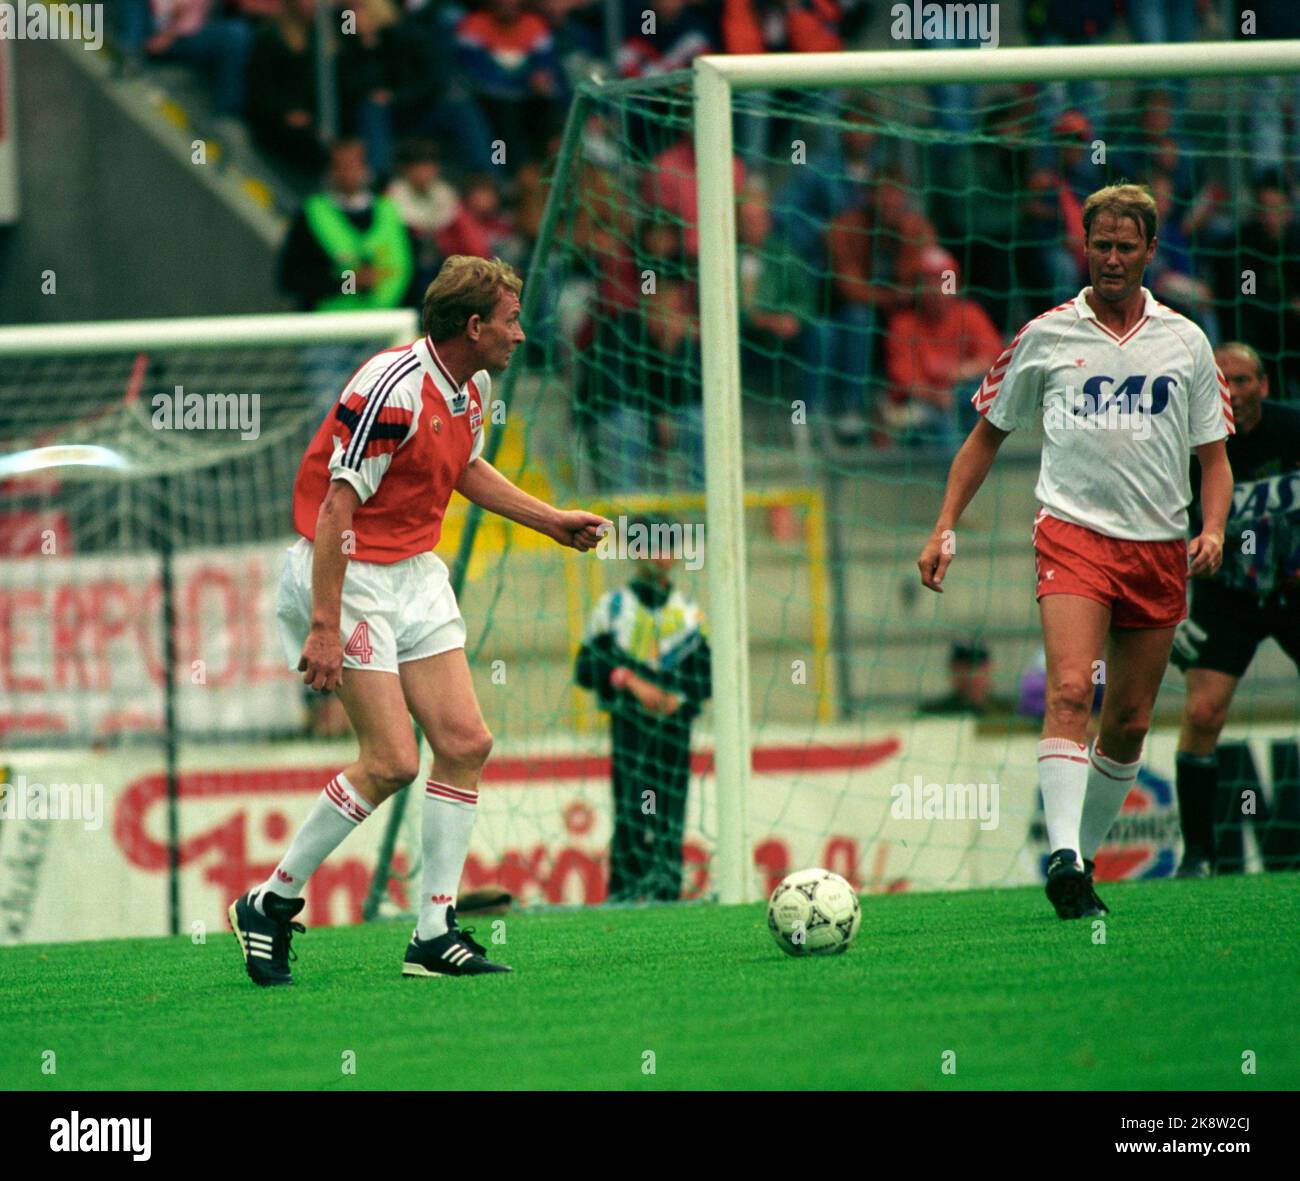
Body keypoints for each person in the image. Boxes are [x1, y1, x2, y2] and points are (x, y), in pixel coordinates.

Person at [228, 256, 609, 985]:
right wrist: (325, 626)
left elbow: (463, 467)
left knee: (465, 741)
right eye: (510, 320)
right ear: (474, 326)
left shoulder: (473, 387)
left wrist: (550, 520)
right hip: (349, 570)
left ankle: (433, 931)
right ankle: (269, 901)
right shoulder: (391, 389)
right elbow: (339, 507)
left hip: (411, 571)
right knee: (393, 761)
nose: (522, 334)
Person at [916, 183, 1234, 921]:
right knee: (1069, 688)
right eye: (1101, 245)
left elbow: (1214, 457)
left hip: (1157, 545)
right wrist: (943, 526)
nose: (1113, 259)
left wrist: (1212, 528)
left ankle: (1081, 860)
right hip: (1072, 534)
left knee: (1127, 721)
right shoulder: (1046, 335)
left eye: (1127, 247)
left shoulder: (1185, 340)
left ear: (1151, 251)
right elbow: (984, 436)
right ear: (1082, 246)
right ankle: (1061, 854)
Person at [1170, 342, 1300, 876]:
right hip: (1225, 596)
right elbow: (1161, 529)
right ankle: (1199, 853)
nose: (1234, 391)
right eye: (1222, 380)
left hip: (1294, 588)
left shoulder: (1293, 429)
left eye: (1244, 380)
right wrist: (1173, 610)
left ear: (1264, 386)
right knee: (1202, 713)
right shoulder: (1185, 447)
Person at [574, 519, 712, 902]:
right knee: (633, 810)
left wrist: (678, 698)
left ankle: (666, 890)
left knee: (670, 814)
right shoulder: (614, 609)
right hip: (630, 728)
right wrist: (629, 681)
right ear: (636, 553)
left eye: (668, 546)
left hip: (673, 731)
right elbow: (587, 667)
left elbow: (706, 677)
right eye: (651, 546)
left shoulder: (688, 615)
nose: (660, 555)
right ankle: (625, 889)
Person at [918, 639, 1013, 717]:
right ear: (952, 670)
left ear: (990, 668)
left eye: (977, 666)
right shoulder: (933, 713)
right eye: (964, 667)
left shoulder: (1008, 711)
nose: (971, 675)